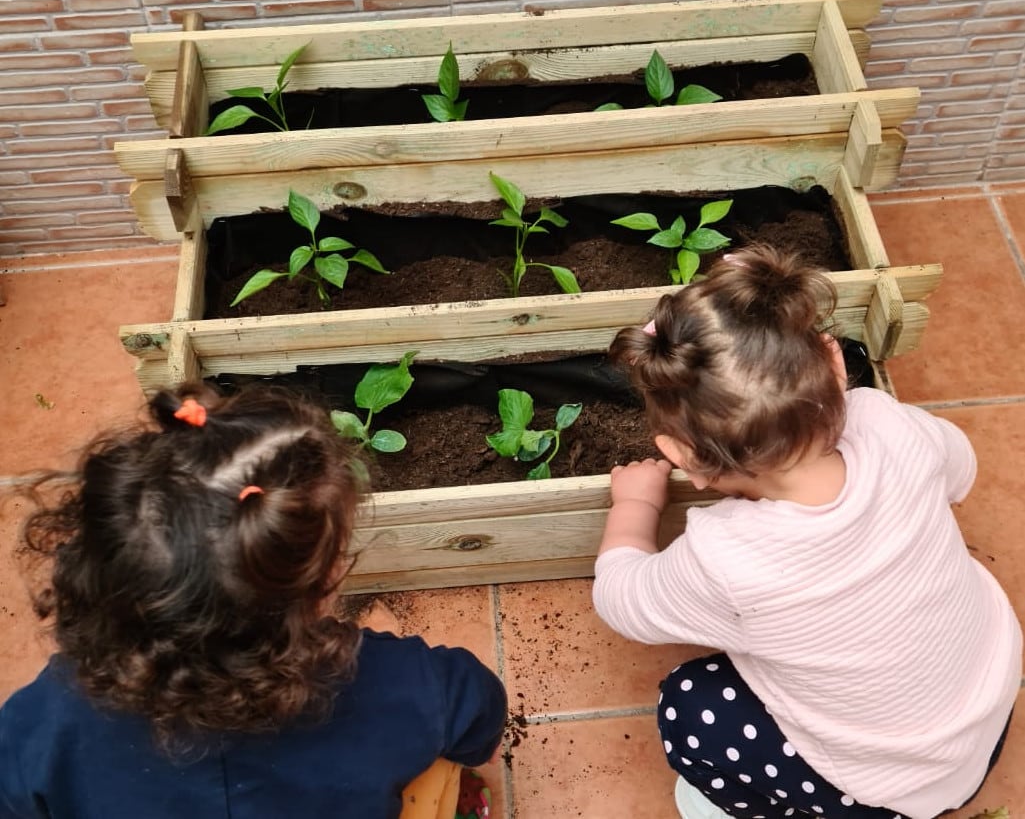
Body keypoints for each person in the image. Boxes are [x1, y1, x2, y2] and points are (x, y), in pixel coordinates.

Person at [592, 245, 1021, 819]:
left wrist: (635, 508)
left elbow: (622, 599)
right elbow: (960, 470)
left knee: (689, 705)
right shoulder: (890, 423)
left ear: (681, 458)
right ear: (834, 362)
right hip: (989, 706)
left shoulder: (726, 557)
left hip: (885, 791)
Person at [0, 383, 506, 819]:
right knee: (440, 771)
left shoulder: (41, 724)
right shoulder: (403, 684)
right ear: (323, 582)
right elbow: (480, 712)